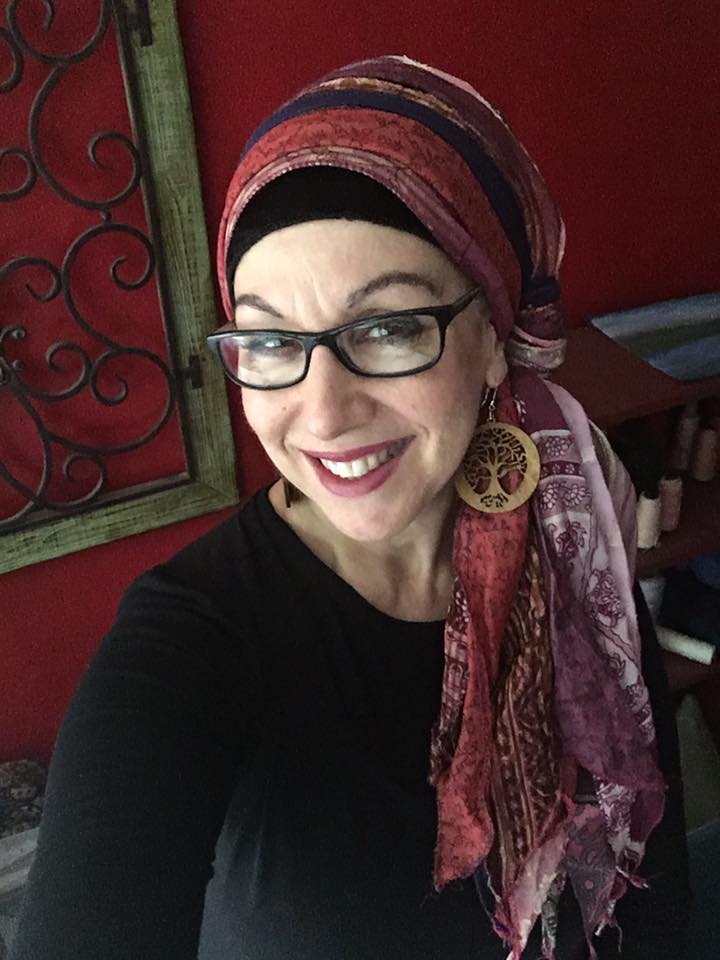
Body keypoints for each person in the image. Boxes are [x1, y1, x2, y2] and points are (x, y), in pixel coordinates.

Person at [11, 56, 690, 960]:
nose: (323, 413)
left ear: (494, 338)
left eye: (389, 327)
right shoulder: (189, 645)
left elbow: (659, 888)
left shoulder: (573, 538)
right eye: (269, 339)